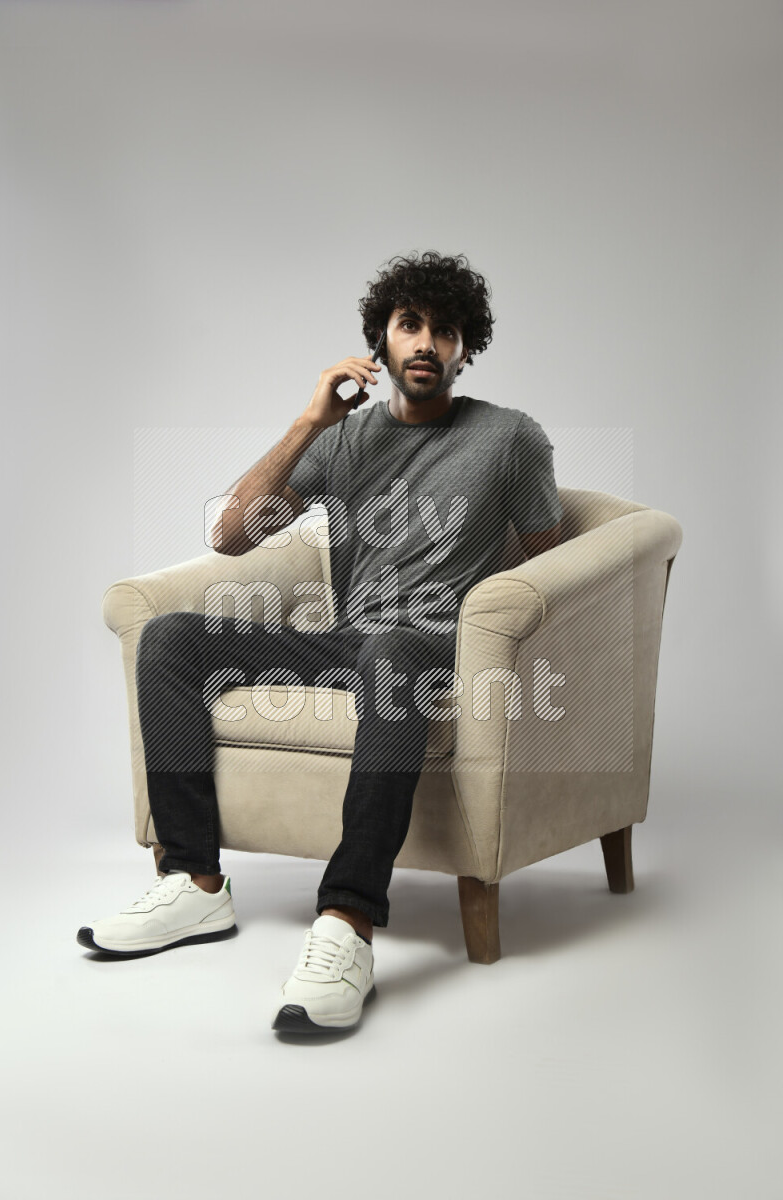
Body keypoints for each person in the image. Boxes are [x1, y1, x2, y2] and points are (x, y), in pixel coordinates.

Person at [78, 250, 563, 1034]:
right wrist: (310, 422)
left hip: (436, 649)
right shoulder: (343, 441)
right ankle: (195, 886)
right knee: (170, 637)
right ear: (381, 340)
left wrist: (506, 637)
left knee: (394, 652)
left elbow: (554, 566)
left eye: (446, 331)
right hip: (350, 644)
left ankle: (348, 922)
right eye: (411, 326)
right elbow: (233, 538)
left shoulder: (509, 439)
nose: (427, 344)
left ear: (465, 348)